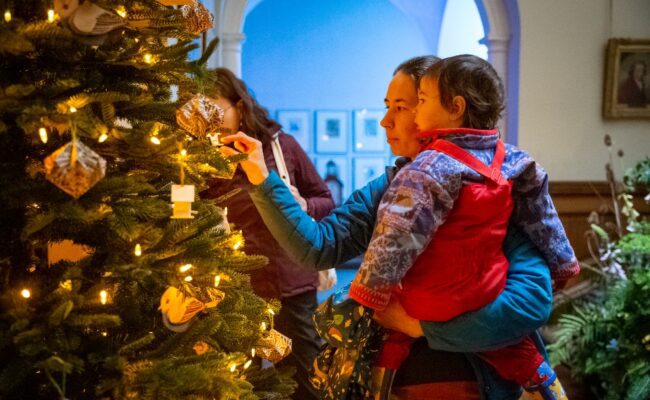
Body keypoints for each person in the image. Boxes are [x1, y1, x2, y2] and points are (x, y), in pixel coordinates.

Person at [220, 56, 554, 400]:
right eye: (386, 106)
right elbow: (318, 247)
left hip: (480, 380)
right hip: (394, 379)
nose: (384, 121)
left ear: (443, 112)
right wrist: (262, 177)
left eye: (402, 106)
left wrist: (421, 326)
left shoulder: (496, 185)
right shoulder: (389, 187)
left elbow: (530, 302)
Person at [348, 54, 579, 399]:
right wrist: (564, 264)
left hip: (429, 298)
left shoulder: (429, 166)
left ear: (455, 107)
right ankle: (546, 384)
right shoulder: (514, 161)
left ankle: (380, 383)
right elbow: (543, 218)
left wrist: (369, 291)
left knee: (394, 327)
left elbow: (396, 235)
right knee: (512, 347)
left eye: (420, 101)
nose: (413, 112)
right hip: (484, 290)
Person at [199, 68, 334, 400]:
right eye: (203, 114)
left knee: (307, 375)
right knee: (239, 381)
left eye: (217, 110)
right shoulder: (198, 157)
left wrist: (303, 203)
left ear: (240, 107)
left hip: (291, 283)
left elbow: (326, 200)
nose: (211, 121)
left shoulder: (281, 147)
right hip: (236, 288)